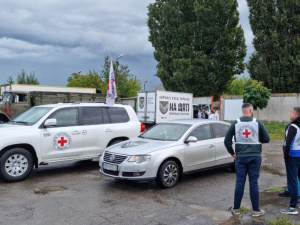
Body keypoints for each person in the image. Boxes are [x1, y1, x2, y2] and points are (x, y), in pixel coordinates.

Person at [224, 103, 270, 217]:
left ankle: (236, 209)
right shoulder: (257, 122)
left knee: (240, 182)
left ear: (242, 111)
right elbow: (267, 139)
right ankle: (256, 210)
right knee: (253, 183)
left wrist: (232, 153)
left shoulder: (236, 123)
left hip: (240, 157)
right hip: (255, 156)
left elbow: (227, 141)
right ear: (251, 110)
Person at [280, 107, 300, 215]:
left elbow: (288, 143)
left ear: (295, 115)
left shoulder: (293, 127)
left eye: (291, 112)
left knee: (292, 181)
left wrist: (286, 155)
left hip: (293, 157)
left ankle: (292, 207)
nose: (289, 114)